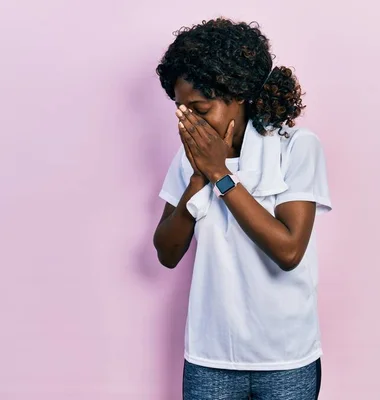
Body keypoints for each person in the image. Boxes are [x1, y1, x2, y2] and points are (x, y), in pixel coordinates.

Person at [153, 17, 332, 400]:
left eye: (199, 108)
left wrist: (220, 173)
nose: (189, 123)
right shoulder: (189, 161)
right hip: (210, 355)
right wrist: (199, 178)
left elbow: (288, 251)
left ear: (238, 96)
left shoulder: (296, 147)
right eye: (181, 111)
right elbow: (167, 253)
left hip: (285, 356)